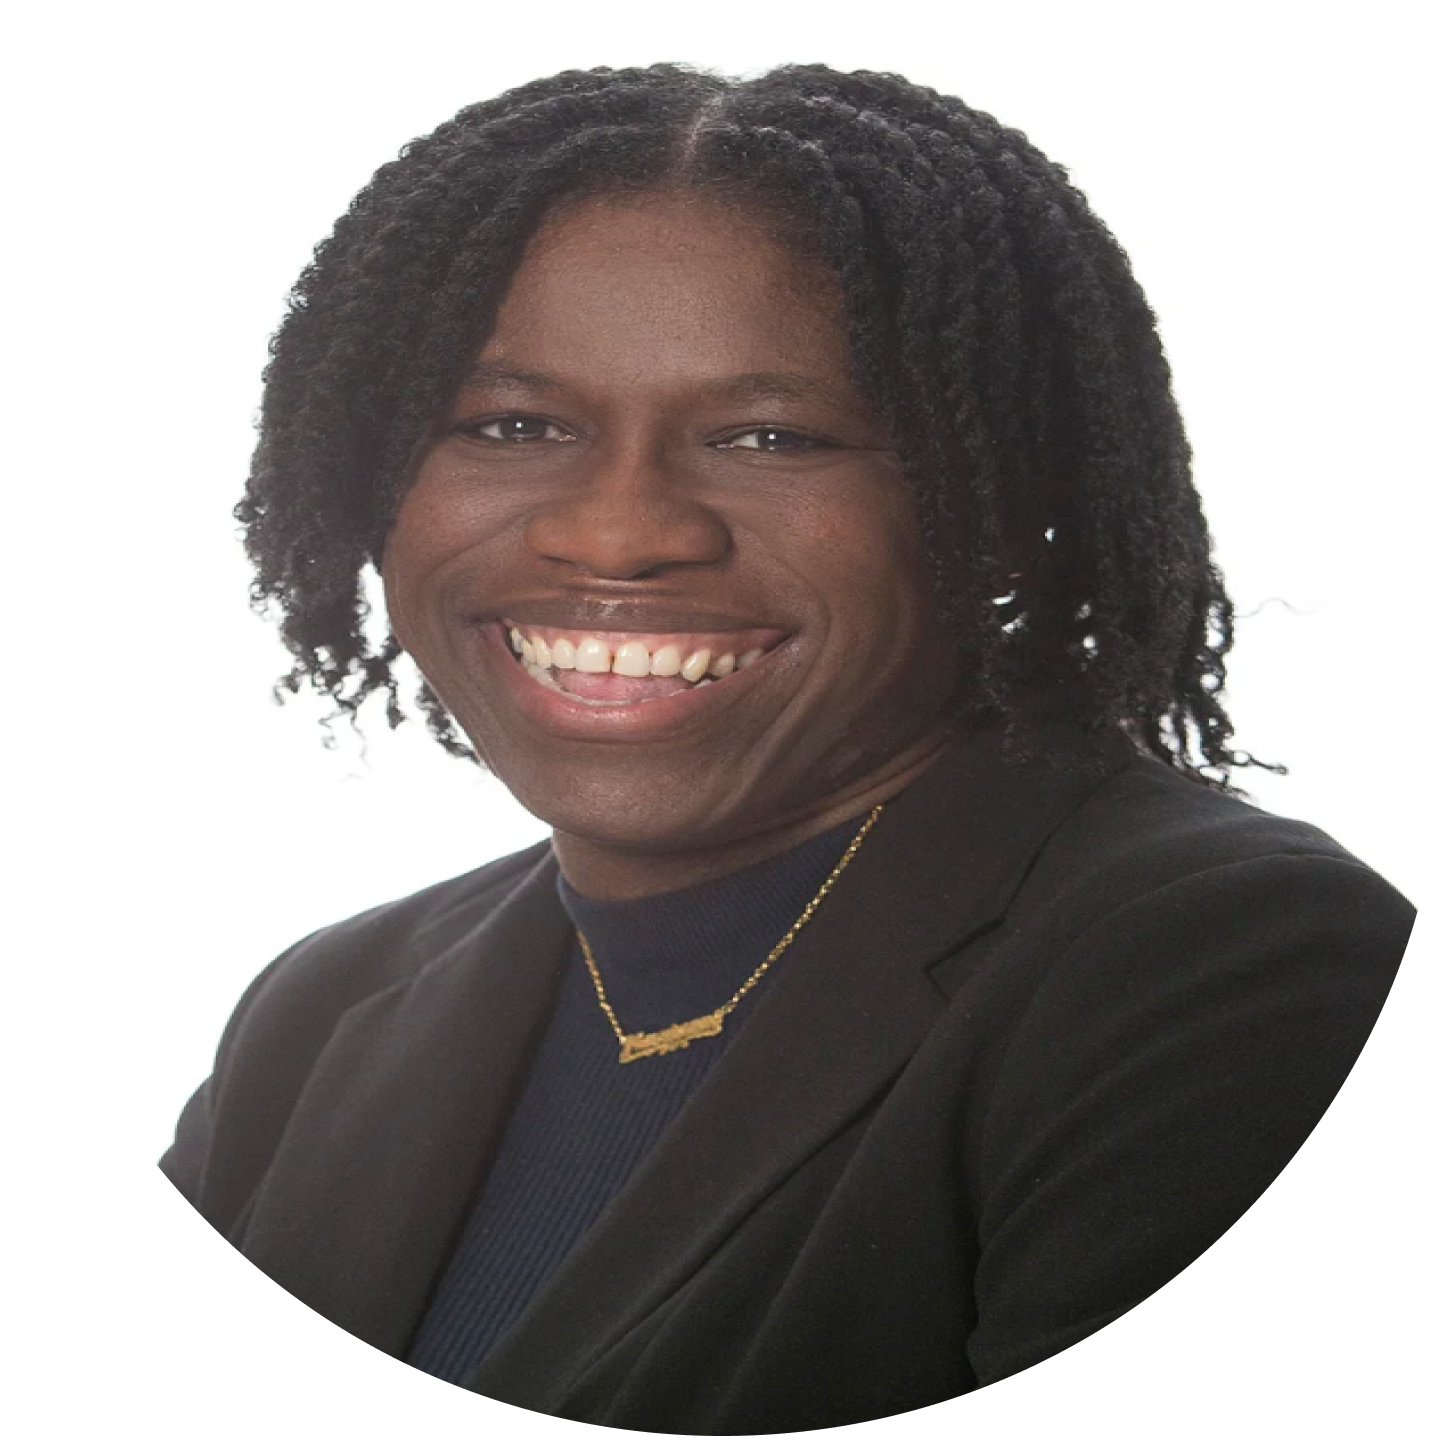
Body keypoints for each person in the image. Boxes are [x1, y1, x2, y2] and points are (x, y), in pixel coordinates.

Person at [160, 63, 1411, 1425]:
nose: (618, 533)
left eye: (771, 436)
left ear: (1002, 507)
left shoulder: (1229, 977)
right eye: (514, 426)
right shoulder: (324, 1013)